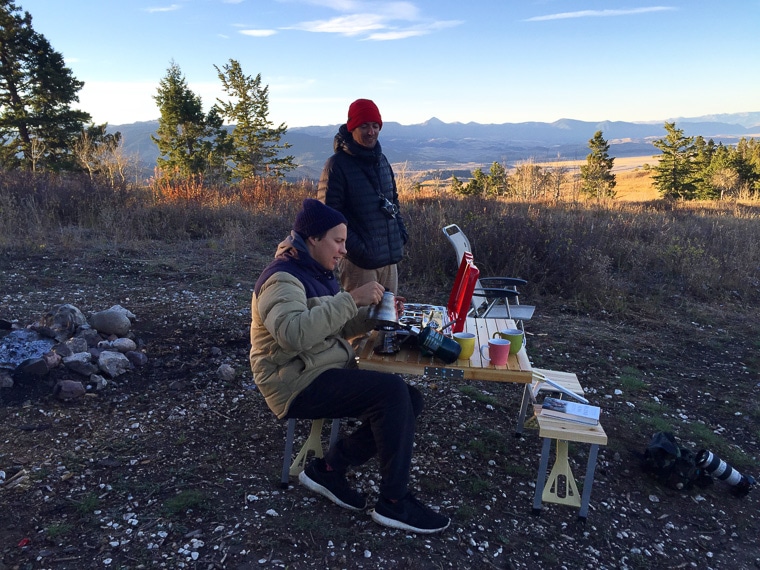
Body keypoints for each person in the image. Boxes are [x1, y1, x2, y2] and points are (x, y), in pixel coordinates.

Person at [249, 198, 450, 534]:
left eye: (344, 242)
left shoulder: (317, 270)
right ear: (313, 238)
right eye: (338, 241)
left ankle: (327, 469)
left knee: (409, 400)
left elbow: (335, 326)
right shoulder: (281, 279)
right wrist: (351, 297)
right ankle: (395, 502)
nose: (344, 250)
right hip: (292, 381)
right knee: (390, 393)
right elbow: (295, 334)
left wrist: (377, 315)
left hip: (320, 367)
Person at [318, 98, 408, 295]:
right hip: (359, 265)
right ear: (352, 128)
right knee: (361, 322)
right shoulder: (337, 165)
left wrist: (400, 235)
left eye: (375, 126)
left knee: (387, 322)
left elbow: (394, 201)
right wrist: (357, 249)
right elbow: (329, 216)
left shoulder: (382, 161)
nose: (371, 131)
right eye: (364, 126)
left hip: (389, 261)